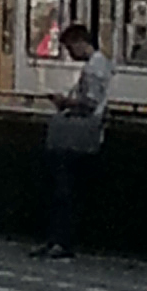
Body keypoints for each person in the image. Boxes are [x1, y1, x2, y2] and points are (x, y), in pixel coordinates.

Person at [39, 21, 111, 258]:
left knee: (64, 191)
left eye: (70, 48)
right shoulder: (98, 65)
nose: (70, 54)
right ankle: (57, 240)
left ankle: (60, 241)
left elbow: (90, 103)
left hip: (79, 138)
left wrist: (65, 103)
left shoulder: (94, 68)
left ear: (81, 43)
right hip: (86, 137)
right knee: (65, 191)